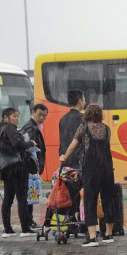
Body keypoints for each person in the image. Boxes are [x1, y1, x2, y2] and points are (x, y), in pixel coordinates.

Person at [60, 104, 115, 247]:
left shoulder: (83, 128)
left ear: (87, 115)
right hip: (107, 169)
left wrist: (64, 157)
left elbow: (73, 146)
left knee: (90, 199)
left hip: (91, 169)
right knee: (108, 199)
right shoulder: (106, 129)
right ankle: (108, 234)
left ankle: (92, 237)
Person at [0, 107, 37, 238]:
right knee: (22, 199)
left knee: (8, 200)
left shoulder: (0, 129)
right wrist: (30, 143)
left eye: (18, 116)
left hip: (7, 169)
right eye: (14, 116)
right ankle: (25, 229)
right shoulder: (9, 128)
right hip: (18, 169)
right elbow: (17, 143)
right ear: (5, 117)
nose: (17, 119)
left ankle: (7, 229)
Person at [58, 88, 86, 233]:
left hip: (66, 165)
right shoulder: (82, 119)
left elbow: (62, 142)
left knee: (69, 194)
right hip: (79, 164)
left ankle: (70, 221)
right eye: (84, 99)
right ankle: (82, 222)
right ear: (80, 101)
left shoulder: (62, 119)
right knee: (81, 194)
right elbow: (81, 143)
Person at [21, 103, 48, 228]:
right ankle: (28, 221)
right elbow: (29, 147)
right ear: (33, 112)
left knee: (29, 193)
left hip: (29, 165)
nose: (42, 118)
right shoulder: (31, 127)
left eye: (44, 116)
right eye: (39, 115)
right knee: (28, 194)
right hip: (29, 165)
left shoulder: (33, 126)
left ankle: (29, 220)